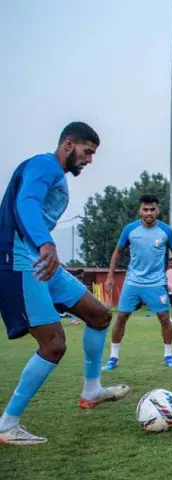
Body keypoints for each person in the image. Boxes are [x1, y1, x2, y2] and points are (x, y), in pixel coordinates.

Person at [0, 122, 130, 445]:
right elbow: (25, 203)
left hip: (43, 262)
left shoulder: (57, 177)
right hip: (20, 261)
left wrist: (44, 248)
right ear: (69, 144)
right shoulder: (45, 164)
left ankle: (91, 389)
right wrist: (46, 243)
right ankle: (7, 423)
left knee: (100, 315)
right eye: (87, 152)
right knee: (53, 344)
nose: (89, 160)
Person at [102, 195, 172, 370]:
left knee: (164, 318)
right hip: (133, 281)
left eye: (152, 209)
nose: (149, 213)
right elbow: (117, 252)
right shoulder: (130, 230)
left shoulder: (166, 231)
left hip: (156, 283)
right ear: (140, 211)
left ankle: (168, 356)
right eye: (145, 209)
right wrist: (110, 276)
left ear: (158, 210)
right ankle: (113, 357)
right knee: (122, 317)